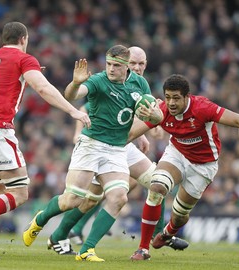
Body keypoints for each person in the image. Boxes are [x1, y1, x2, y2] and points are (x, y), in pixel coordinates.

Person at [0, 21, 90, 259]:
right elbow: (43, 89)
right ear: (24, 39)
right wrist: (72, 111)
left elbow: (6, 80)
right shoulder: (25, 59)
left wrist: (29, 71)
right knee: (20, 193)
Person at [46, 46, 188, 260]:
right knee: (89, 197)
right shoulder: (107, 80)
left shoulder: (140, 84)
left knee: (156, 182)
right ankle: (61, 232)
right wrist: (78, 131)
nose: (137, 68)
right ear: (125, 63)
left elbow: (141, 113)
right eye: (133, 64)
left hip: (122, 146)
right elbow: (86, 107)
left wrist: (147, 128)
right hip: (102, 144)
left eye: (142, 64)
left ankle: (156, 236)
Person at [127, 74, 239, 259]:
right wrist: (109, 148)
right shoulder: (161, 110)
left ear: (187, 97)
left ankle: (168, 233)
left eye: (176, 98)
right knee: (157, 187)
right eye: (168, 97)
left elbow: (236, 120)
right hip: (177, 154)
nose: (171, 102)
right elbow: (132, 133)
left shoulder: (202, 107)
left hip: (203, 165)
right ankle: (143, 249)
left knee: (179, 215)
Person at [23, 45, 152, 262]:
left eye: (116, 66)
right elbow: (72, 95)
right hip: (91, 145)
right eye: (109, 64)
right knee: (72, 200)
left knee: (119, 197)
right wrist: (76, 83)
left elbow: (147, 109)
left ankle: (87, 249)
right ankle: (40, 219)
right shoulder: (98, 81)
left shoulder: (140, 83)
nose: (111, 69)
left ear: (126, 66)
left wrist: (153, 116)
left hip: (117, 149)